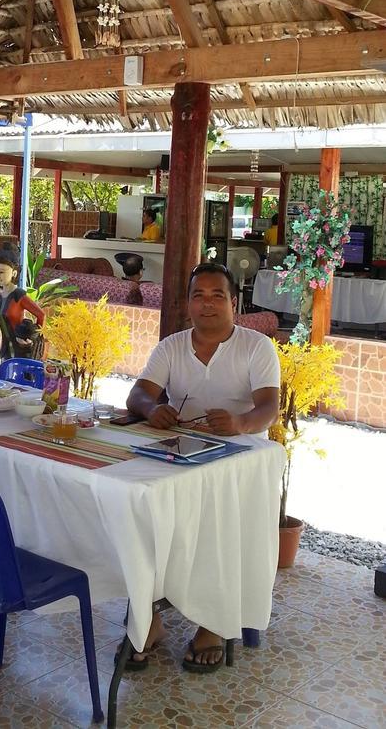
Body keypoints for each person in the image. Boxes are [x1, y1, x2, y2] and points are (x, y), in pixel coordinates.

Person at [123, 262, 280, 672]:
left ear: (233, 302)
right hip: (182, 453)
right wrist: (152, 408)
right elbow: (138, 393)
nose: (207, 304)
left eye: (217, 296)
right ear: (187, 303)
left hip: (239, 462)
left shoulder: (256, 347)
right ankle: (149, 618)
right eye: (198, 295)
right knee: (144, 509)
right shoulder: (172, 346)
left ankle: (213, 623)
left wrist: (240, 423)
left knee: (216, 519)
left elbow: (269, 408)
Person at [0, 243, 45, 361]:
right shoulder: (1, 296)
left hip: (21, 348)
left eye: (2, 272)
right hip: (5, 348)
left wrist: (33, 336)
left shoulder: (18, 295)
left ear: (14, 273)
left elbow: (41, 315)